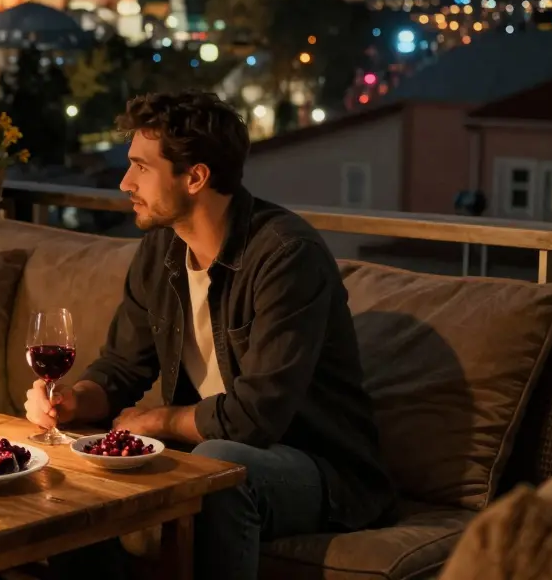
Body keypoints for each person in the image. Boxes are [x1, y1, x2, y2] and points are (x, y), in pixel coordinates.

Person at [26, 92, 396, 579]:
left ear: (195, 177)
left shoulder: (286, 256)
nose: (125, 182)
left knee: (218, 468)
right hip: (206, 448)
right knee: (75, 456)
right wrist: (73, 401)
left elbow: (255, 417)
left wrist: (159, 421)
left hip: (317, 466)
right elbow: (121, 368)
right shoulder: (160, 250)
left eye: (141, 167)